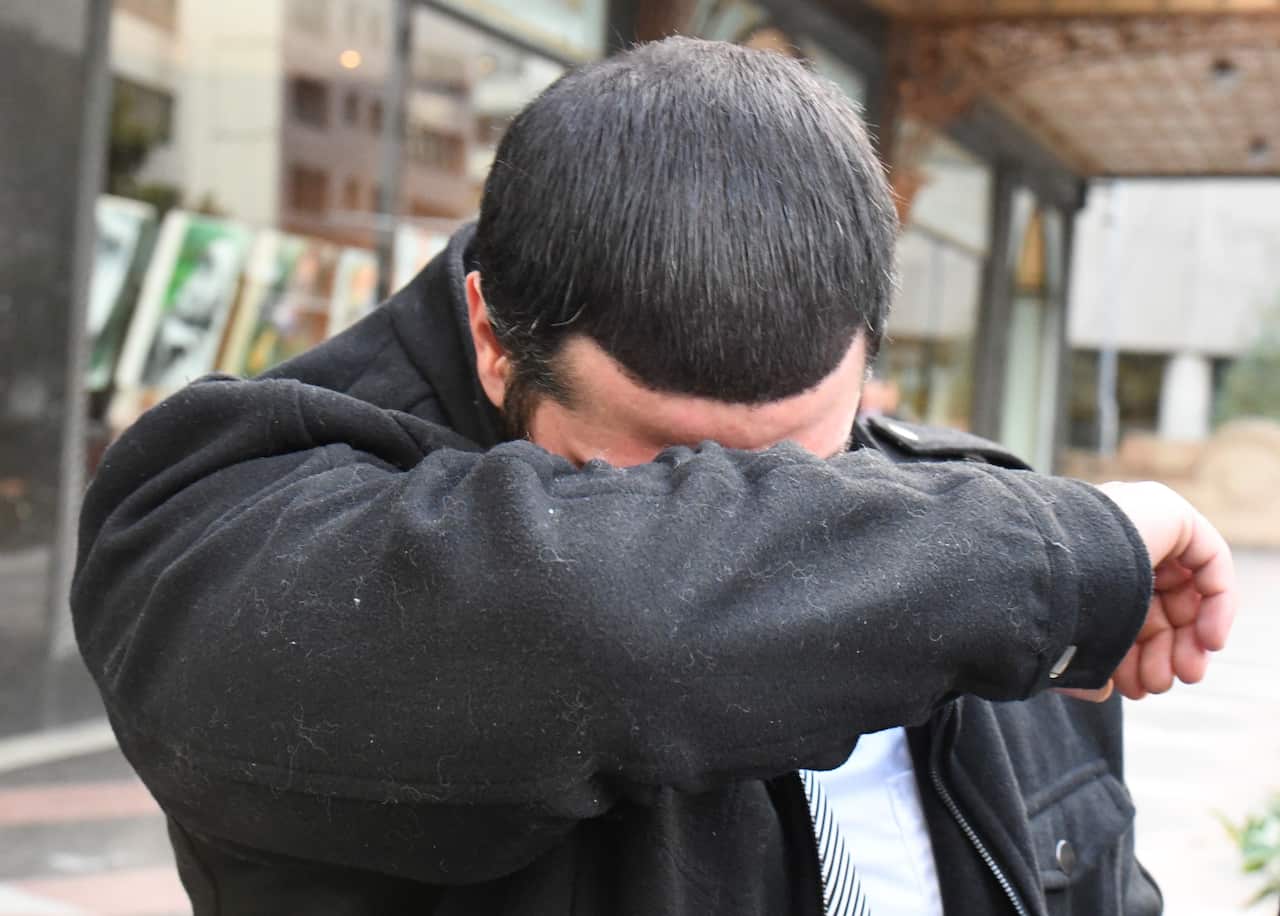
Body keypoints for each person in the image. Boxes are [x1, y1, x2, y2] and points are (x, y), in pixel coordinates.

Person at [72, 38, 1234, 916]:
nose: (764, 511)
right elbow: (597, 624)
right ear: (492, 334)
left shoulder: (978, 538)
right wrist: (1048, 557)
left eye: (803, 457)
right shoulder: (226, 518)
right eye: (660, 468)